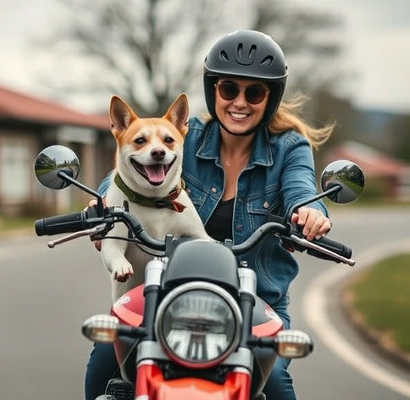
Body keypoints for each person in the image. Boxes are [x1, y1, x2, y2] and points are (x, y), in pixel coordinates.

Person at [85, 29, 333, 400]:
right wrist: (101, 204)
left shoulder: (289, 148)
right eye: (229, 89)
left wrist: (310, 211)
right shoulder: (186, 135)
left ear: (270, 97)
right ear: (213, 90)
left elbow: (302, 189)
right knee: (104, 362)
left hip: (254, 302)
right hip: (167, 297)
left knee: (277, 384)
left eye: (254, 92)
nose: (240, 102)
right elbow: (123, 174)